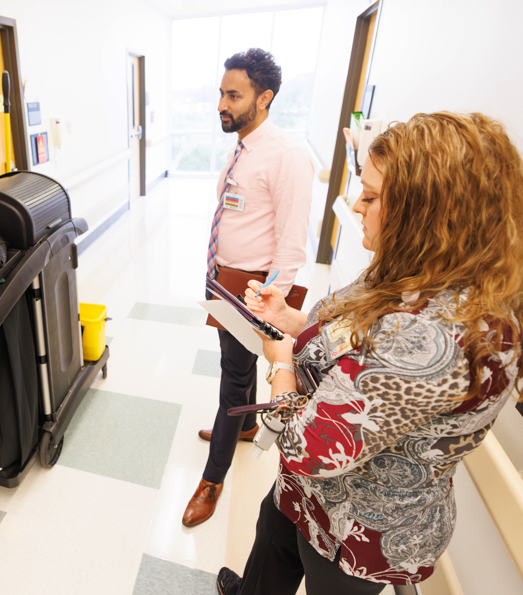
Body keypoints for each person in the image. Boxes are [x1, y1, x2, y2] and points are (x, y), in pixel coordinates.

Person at [216, 112, 523, 594]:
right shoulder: (409, 273)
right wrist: (293, 321)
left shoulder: (433, 339)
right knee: (270, 545)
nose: (357, 206)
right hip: (305, 494)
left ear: (428, 212)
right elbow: (350, 341)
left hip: (354, 531)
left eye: (373, 196)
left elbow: (307, 446)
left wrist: (279, 361)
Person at [183, 48, 314, 527]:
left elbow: (292, 248)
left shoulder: (288, 156)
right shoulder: (243, 148)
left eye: (233, 95)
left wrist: (268, 306)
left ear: (265, 98)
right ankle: (245, 425)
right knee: (232, 365)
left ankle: (211, 479)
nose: (222, 103)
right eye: (221, 92)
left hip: (254, 288)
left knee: (233, 381)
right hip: (225, 279)